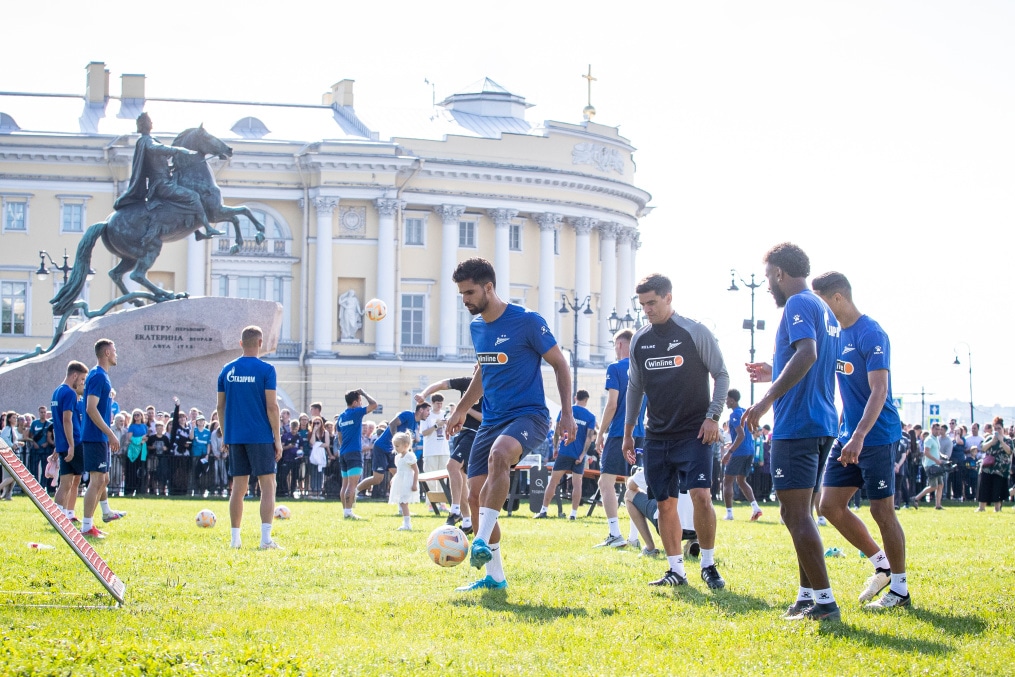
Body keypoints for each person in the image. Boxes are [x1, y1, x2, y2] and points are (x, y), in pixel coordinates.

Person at [446, 257, 575, 592]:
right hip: (491, 420)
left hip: (530, 415)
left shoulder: (527, 321)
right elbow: (482, 373)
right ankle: (495, 577)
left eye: (470, 292)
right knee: (475, 497)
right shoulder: (477, 328)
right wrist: (461, 409)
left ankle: (481, 542)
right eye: (461, 294)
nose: (465, 300)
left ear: (489, 287)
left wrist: (568, 413)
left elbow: (561, 365)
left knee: (500, 455)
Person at [741, 243, 841, 621]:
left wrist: (765, 399)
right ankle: (806, 596)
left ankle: (825, 603)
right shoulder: (822, 307)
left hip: (798, 423)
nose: (767, 285)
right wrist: (775, 367)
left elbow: (808, 354)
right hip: (821, 421)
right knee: (799, 513)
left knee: (795, 515)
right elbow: (810, 358)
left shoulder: (799, 303)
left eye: (768, 277)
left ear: (780, 273)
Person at [623, 273, 729, 590]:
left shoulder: (695, 332)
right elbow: (634, 388)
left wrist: (713, 416)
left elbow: (721, 375)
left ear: (669, 297)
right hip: (656, 436)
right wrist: (628, 431)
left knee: (701, 496)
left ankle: (708, 565)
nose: (647, 310)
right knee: (665, 503)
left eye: (652, 302)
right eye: (642, 305)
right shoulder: (640, 340)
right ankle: (676, 571)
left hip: (694, 433)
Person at [812, 271, 910, 610]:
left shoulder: (871, 332)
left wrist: (859, 436)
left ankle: (900, 591)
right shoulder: (835, 335)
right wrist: (771, 371)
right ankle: (881, 565)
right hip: (848, 435)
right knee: (829, 506)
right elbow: (814, 368)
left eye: (821, 302)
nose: (819, 310)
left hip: (876, 436)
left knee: (882, 511)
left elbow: (879, 390)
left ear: (837, 298)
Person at [216, 325, 283, 550]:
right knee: (268, 486)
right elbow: (272, 407)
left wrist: (226, 435)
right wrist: (277, 438)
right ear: (261, 343)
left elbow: (220, 406)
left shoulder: (227, 369)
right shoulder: (267, 369)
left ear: (241, 343)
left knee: (239, 487)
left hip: (235, 436)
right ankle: (265, 539)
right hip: (260, 435)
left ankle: (235, 539)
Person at [114, 112, 222, 242]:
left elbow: (159, 161)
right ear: (144, 125)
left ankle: (197, 232)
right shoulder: (145, 141)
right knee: (193, 197)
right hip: (161, 184)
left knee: (184, 197)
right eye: (149, 121)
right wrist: (178, 150)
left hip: (166, 180)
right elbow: (156, 148)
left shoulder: (151, 139)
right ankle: (207, 228)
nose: (151, 123)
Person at [594, 328, 645, 547]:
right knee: (633, 484)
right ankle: (634, 537)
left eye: (615, 346)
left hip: (618, 433)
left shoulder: (615, 368)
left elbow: (612, 404)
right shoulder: (643, 369)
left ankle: (615, 533)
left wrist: (600, 433)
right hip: (640, 434)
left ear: (621, 345)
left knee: (605, 482)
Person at [415, 371, 483, 534]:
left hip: (476, 433)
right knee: (461, 478)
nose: (476, 366)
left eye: (478, 365)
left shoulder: (490, 386)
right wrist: (423, 394)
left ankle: (455, 509)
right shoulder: (466, 382)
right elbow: (440, 384)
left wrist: (464, 407)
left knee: (451, 466)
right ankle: (467, 522)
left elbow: (484, 418)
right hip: (461, 433)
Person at [80, 339, 121, 539]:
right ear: (106, 353)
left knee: (103, 479)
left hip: (99, 437)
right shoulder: (97, 375)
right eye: (114, 351)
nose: (116, 354)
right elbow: (90, 407)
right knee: (97, 481)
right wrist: (111, 433)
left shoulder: (102, 376)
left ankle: (100, 517)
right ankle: (86, 526)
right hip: (95, 436)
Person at [535, 390, 596, 520]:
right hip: (579, 454)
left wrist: (556, 447)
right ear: (586, 400)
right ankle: (573, 514)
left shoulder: (566, 410)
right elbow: (589, 438)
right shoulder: (591, 417)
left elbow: (557, 429)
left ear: (575, 398)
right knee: (577, 484)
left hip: (565, 451)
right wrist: (582, 455)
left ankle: (543, 511)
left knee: (553, 482)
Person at [356, 404, 430, 497]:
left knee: (400, 476)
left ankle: (402, 506)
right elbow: (392, 424)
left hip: (394, 451)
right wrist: (396, 440)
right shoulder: (408, 414)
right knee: (377, 479)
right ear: (421, 410)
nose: (429, 413)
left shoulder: (416, 424)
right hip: (381, 448)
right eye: (427, 410)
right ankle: (354, 492)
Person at [51, 361, 88, 522]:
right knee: (96, 478)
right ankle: (88, 519)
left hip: (62, 443)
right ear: (74, 375)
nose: (82, 383)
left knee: (66, 482)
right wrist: (72, 445)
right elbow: (67, 420)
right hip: (74, 442)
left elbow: (56, 423)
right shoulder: (70, 393)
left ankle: (59, 516)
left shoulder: (56, 392)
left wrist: (58, 445)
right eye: (81, 379)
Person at [721, 389, 763, 522]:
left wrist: (729, 452)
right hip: (748, 451)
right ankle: (756, 508)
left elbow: (741, 435)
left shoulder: (734, 415)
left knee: (727, 481)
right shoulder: (744, 411)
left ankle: (729, 514)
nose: (725, 402)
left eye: (727, 399)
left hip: (739, 452)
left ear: (732, 400)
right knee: (741, 480)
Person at [335, 388, 378, 519]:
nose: (361, 404)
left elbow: (339, 437)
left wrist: (344, 448)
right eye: (359, 401)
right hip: (354, 453)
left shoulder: (341, 417)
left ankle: (345, 511)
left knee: (345, 484)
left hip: (343, 453)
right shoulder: (356, 412)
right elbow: (374, 405)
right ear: (354, 403)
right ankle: (348, 512)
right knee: (352, 485)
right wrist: (364, 393)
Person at [419, 394, 452, 509]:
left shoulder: (445, 414)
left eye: (441, 403)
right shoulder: (427, 415)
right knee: (430, 479)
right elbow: (423, 432)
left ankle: (442, 503)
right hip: (430, 451)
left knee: (443, 479)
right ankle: (431, 505)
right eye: (437, 403)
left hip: (444, 450)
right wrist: (436, 426)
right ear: (432, 403)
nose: (439, 405)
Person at [976, 417, 1011, 512]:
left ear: (1003, 429)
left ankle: (997, 509)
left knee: (997, 489)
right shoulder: (989, 438)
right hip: (988, 468)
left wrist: (1001, 441)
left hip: (1001, 470)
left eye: (999, 428)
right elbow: (982, 448)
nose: (997, 431)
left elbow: (1009, 451)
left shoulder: (1008, 440)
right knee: (984, 487)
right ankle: (981, 508)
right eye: (995, 428)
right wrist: (992, 441)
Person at [388, 432, 419, 530]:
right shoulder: (398, 457)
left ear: (405, 445)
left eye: (397, 446)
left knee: (403, 502)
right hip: (400, 481)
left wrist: (414, 484)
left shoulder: (409, 456)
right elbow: (399, 470)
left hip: (407, 481)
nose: (395, 448)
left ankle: (407, 524)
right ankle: (406, 523)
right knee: (402, 502)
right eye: (394, 446)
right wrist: (393, 479)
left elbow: (416, 471)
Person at [913, 425, 946, 509]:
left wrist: (942, 456)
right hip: (930, 465)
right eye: (936, 429)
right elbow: (926, 452)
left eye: (939, 429)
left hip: (936, 465)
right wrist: (936, 460)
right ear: (932, 429)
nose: (938, 431)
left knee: (940, 484)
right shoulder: (929, 439)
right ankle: (916, 498)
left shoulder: (936, 439)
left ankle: (938, 505)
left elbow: (936, 450)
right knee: (933, 486)